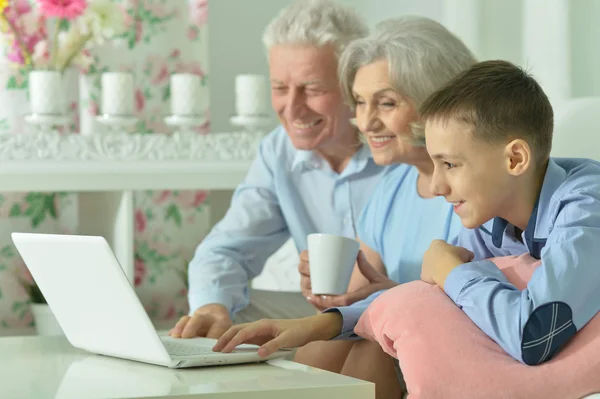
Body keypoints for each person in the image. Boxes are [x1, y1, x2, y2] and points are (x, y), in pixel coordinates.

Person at [212, 16, 476, 398]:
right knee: (322, 342)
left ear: (438, 98)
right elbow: (353, 298)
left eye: (386, 103)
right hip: (397, 336)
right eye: (360, 102)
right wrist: (325, 299)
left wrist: (393, 298)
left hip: (449, 348)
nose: (366, 122)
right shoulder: (394, 186)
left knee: (370, 346)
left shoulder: (476, 190)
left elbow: (478, 302)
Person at [169, 0, 389, 339]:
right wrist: (211, 305)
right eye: (279, 88)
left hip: (397, 308)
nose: (292, 108)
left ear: (353, 86)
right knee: (226, 317)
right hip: (326, 315)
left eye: (313, 89)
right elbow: (227, 247)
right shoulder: (278, 151)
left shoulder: (395, 148)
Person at [419, 60, 600, 365]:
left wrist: (450, 272)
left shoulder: (586, 208)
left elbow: (534, 336)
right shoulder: (490, 215)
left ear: (515, 159)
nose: (436, 187)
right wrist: (332, 323)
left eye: (449, 164)